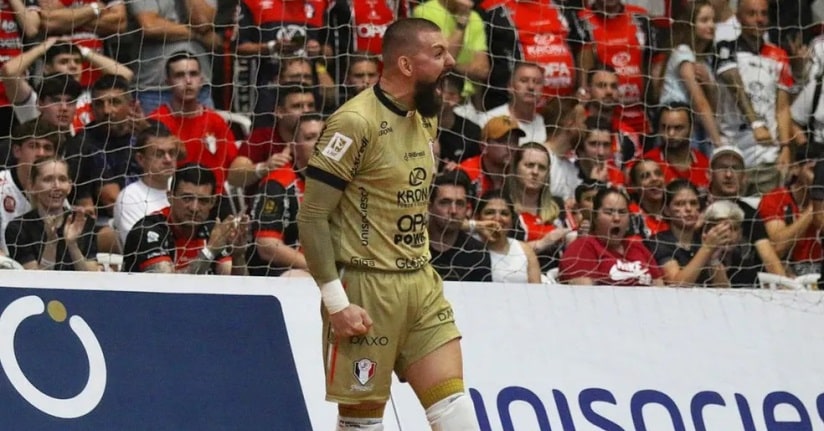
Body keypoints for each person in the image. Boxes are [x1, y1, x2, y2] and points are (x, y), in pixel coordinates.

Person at [296, 18, 479, 430]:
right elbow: (311, 216)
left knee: (456, 411)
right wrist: (336, 303)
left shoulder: (424, 115)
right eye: (438, 53)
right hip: (365, 288)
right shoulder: (353, 122)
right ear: (406, 65)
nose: (451, 61)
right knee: (362, 424)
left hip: (420, 280)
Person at [122, 163, 250, 275]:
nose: (194, 208)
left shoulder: (211, 231)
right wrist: (210, 251)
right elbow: (167, 288)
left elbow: (235, 286)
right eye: (187, 198)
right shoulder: (148, 231)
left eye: (203, 200)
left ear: (213, 202)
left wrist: (238, 256)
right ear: (170, 197)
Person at [247, 114, 324, 277]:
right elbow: (266, 245)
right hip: (289, 274)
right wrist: (319, 269)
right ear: (294, 147)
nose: (319, 144)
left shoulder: (340, 181)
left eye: (324, 137)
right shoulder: (277, 183)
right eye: (310, 137)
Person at [6, 156, 99, 271]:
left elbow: (91, 280)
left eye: (62, 179)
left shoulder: (83, 221)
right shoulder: (18, 228)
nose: (57, 186)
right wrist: (51, 243)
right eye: (48, 179)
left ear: (70, 186)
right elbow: (36, 283)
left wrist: (72, 245)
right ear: (31, 186)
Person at [559, 187, 664, 286]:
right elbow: (585, 297)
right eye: (609, 212)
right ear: (595, 217)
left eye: (622, 212)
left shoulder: (639, 248)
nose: (617, 218)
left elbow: (661, 291)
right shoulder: (581, 249)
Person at [654, 0, 723, 149]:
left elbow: (714, 107)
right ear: (691, 24)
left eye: (713, 20)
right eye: (704, 20)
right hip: (677, 127)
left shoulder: (705, 60)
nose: (711, 25)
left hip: (698, 128)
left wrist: (709, 86)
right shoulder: (683, 52)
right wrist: (718, 142)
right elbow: (699, 102)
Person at [645, 179, 732, 287]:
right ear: (667, 210)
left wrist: (713, 259)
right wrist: (707, 249)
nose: (688, 209)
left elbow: (725, 289)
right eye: (679, 204)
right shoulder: (658, 241)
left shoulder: (703, 239)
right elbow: (677, 284)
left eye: (693, 203)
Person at [112, 121, 179, 246]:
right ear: (140, 159)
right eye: (159, 154)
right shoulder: (129, 198)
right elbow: (139, 246)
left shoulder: (182, 188)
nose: (168, 160)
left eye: (172, 153)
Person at [0, 120, 61, 254]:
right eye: (33, 146)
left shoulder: (57, 190)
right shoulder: (2, 186)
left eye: (47, 148)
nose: (41, 153)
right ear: (17, 151)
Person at [428, 170, 492, 282]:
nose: (453, 210)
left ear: (467, 209)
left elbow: (482, 297)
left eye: (459, 204)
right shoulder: (413, 247)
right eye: (445, 202)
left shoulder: (477, 252)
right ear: (429, 207)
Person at [474, 189, 541, 283]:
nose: (497, 219)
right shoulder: (469, 248)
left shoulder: (525, 250)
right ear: (477, 217)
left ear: (512, 221)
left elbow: (537, 292)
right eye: (490, 212)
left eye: (504, 213)